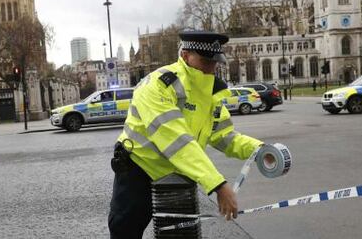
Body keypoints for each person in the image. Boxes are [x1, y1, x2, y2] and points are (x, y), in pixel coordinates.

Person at [108, 30, 264, 239]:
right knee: (124, 233)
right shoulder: (159, 84)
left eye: (215, 62)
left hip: (178, 178)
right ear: (185, 55)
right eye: (206, 61)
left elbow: (226, 137)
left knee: (180, 236)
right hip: (139, 171)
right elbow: (176, 140)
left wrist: (260, 150)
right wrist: (218, 185)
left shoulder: (210, 93)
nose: (211, 68)